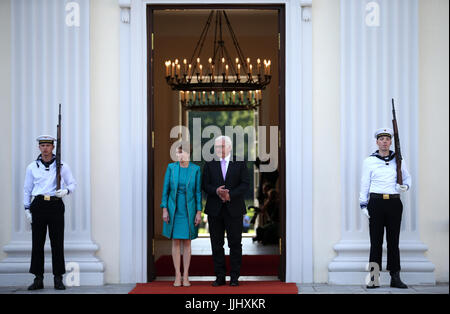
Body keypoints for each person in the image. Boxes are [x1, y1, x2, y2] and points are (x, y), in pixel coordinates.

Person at [359, 128, 411, 289]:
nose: (384, 142)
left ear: (390, 142)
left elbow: (407, 177)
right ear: (377, 142)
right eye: (381, 139)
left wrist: (405, 186)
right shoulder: (370, 161)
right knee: (376, 242)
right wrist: (363, 203)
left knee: (393, 242)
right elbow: (365, 183)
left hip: (394, 203)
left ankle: (395, 277)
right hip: (376, 203)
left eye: (387, 139)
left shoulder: (398, 160)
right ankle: (374, 278)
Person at [24, 135, 76, 290]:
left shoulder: (62, 166)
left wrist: (66, 191)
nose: (45, 149)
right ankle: (38, 278)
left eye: (48, 145)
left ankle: (58, 278)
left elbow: (72, 183)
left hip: (55, 204)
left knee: (57, 242)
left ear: (53, 147)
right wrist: (27, 208)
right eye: (42, 146)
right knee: (37, 243)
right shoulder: (32, 167)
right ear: (39, 148)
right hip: (38, 205)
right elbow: (27, 189)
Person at [202, 135, 250, 287]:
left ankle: (234, 277)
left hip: (234, 209)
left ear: (229, 147)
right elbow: (205, 185)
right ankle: (220, 277)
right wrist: (216, 191)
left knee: (235, 244)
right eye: (216, 147)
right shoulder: (209, 163)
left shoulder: (240, 162)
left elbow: (245, 184)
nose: (218, 149)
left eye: (221, 146)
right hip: (215, 210)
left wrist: (230, 195)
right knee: (216, 244)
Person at [160, 144, 202, 287]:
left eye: (181, 152)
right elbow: (165, 190)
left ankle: (186, 275)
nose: (179, 155)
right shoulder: (171, 168)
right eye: (177, 153)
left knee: (188, 243)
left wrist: (198, 211)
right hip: (174, 210)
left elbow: (198, 192)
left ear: (189, 154)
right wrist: (164, 209)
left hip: (188, 210)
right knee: (176, 242)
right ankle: (177, 275)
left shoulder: (196, 170)